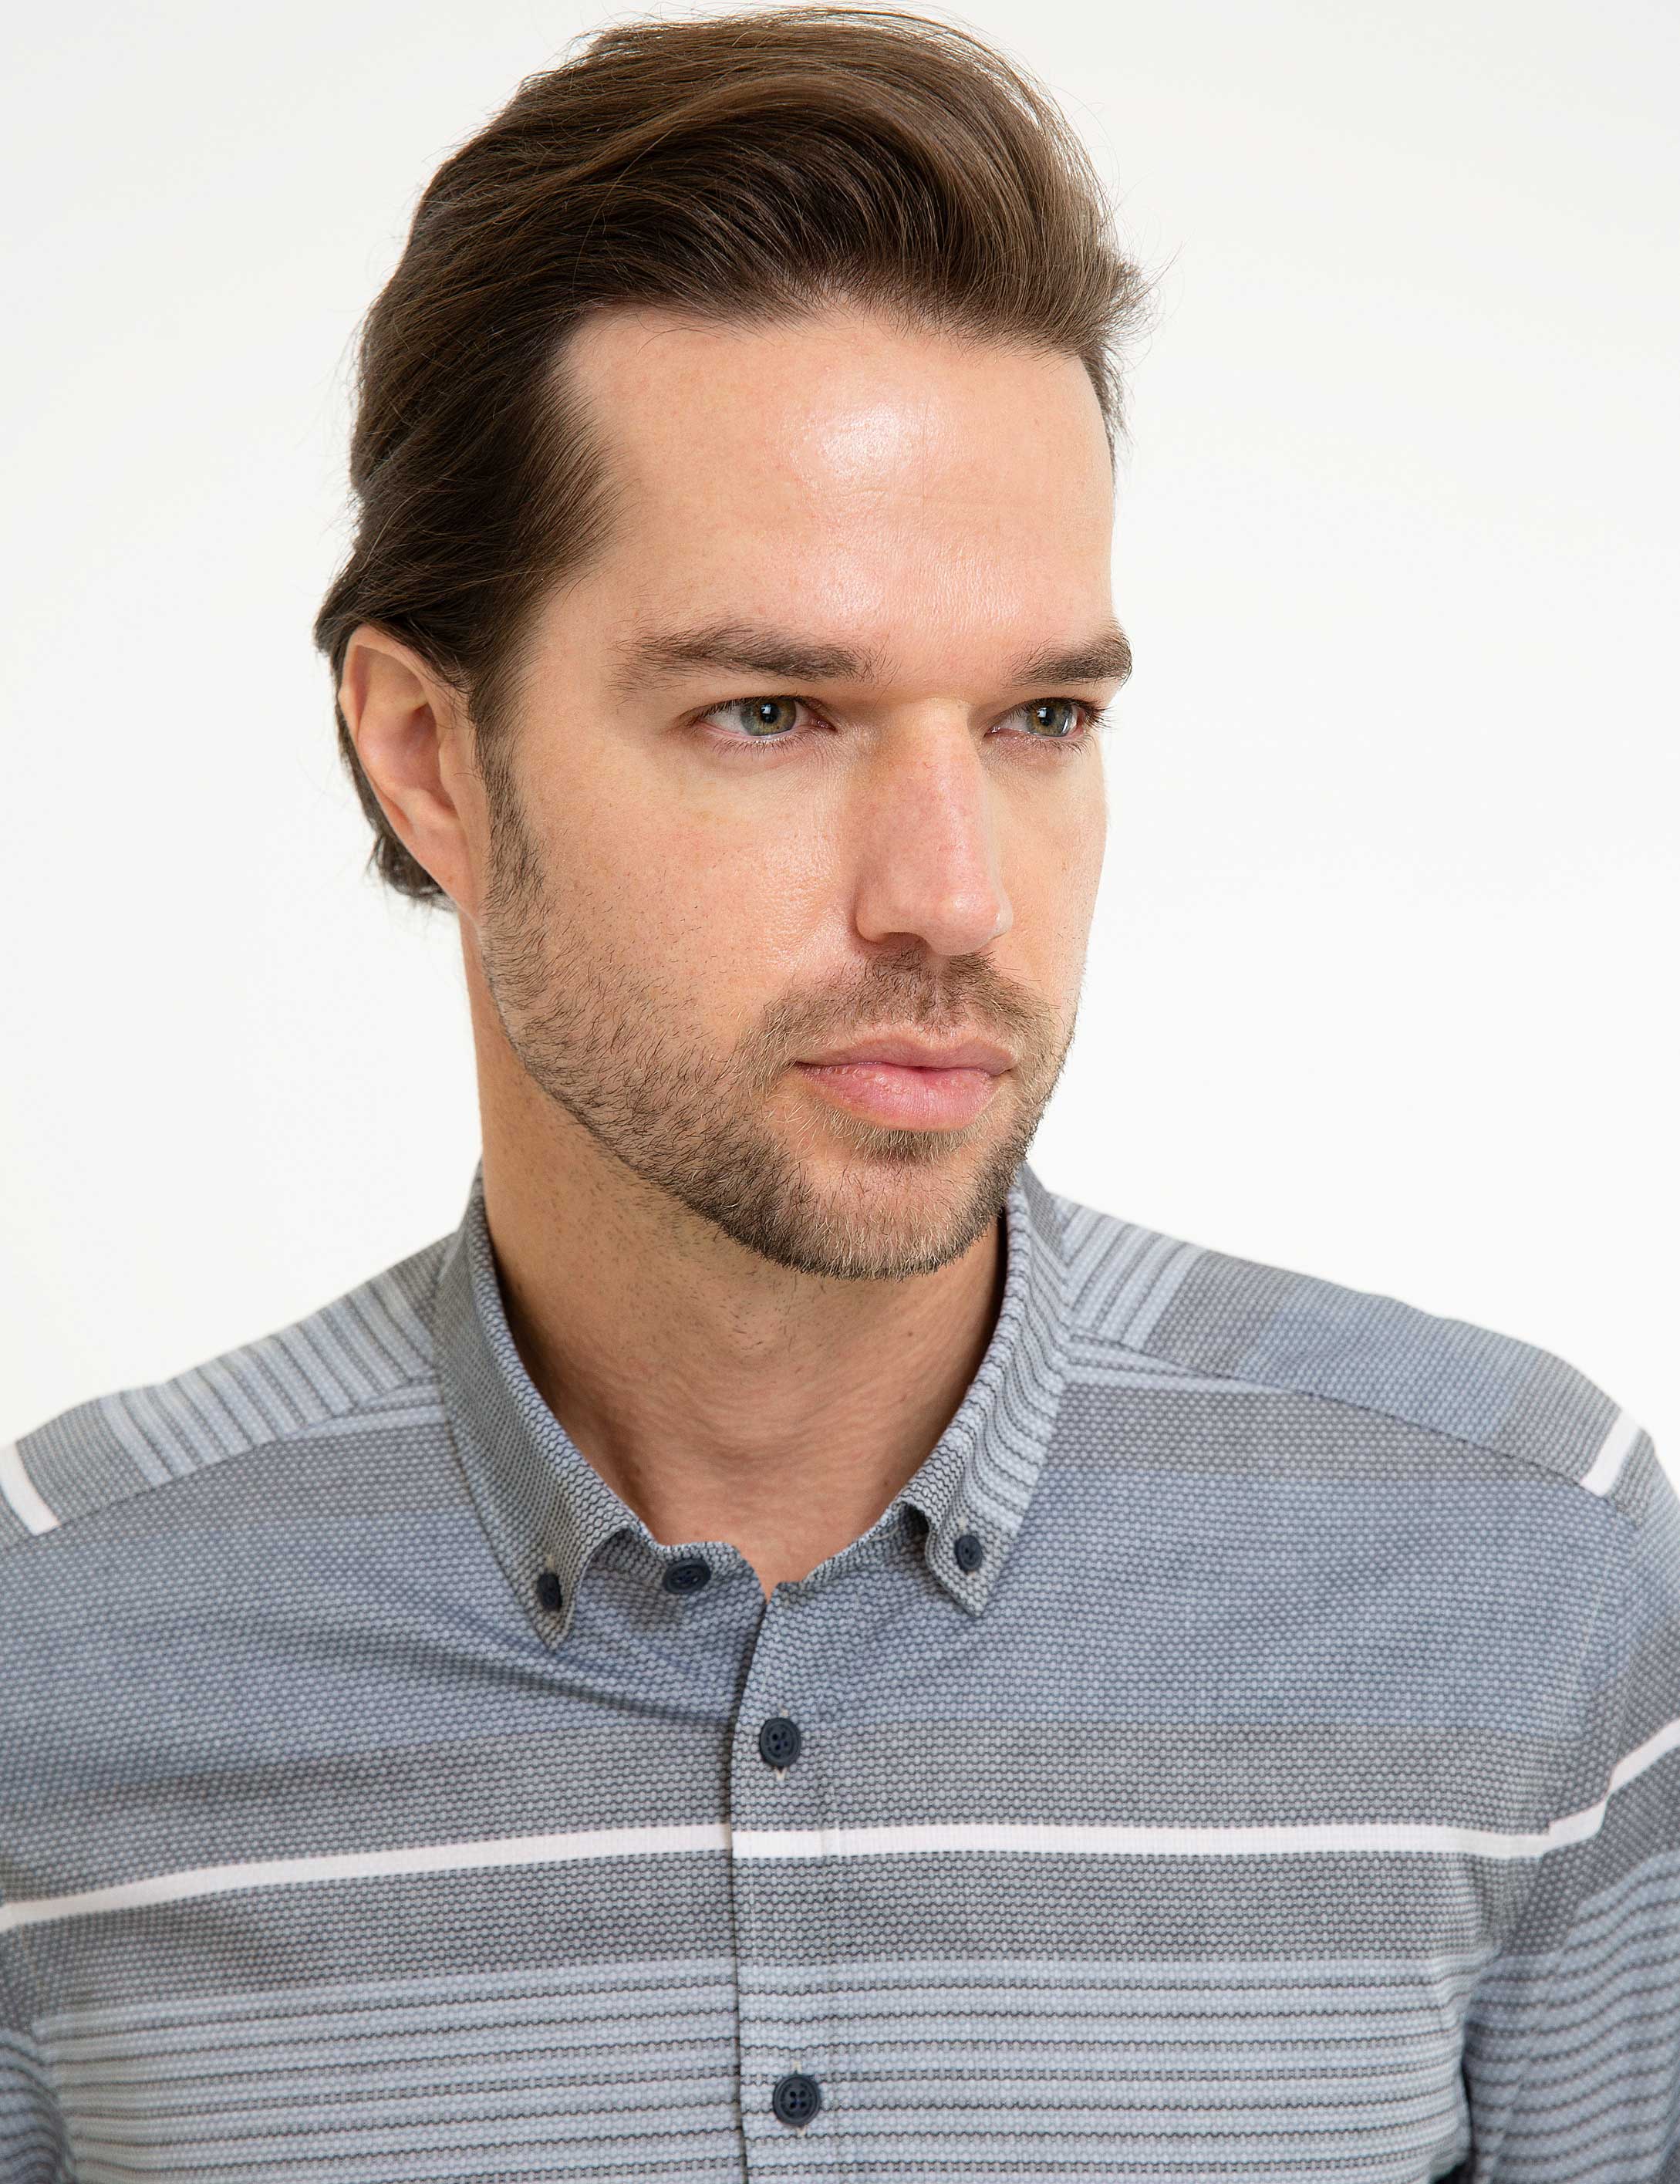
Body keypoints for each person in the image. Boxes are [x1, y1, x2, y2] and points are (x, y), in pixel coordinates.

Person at [2, 7, 1675, 2178]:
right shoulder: (54, 1655)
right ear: (429, 759)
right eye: (773, 715)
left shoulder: (1527, 1569)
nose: (954, 899)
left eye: (1041, 719)